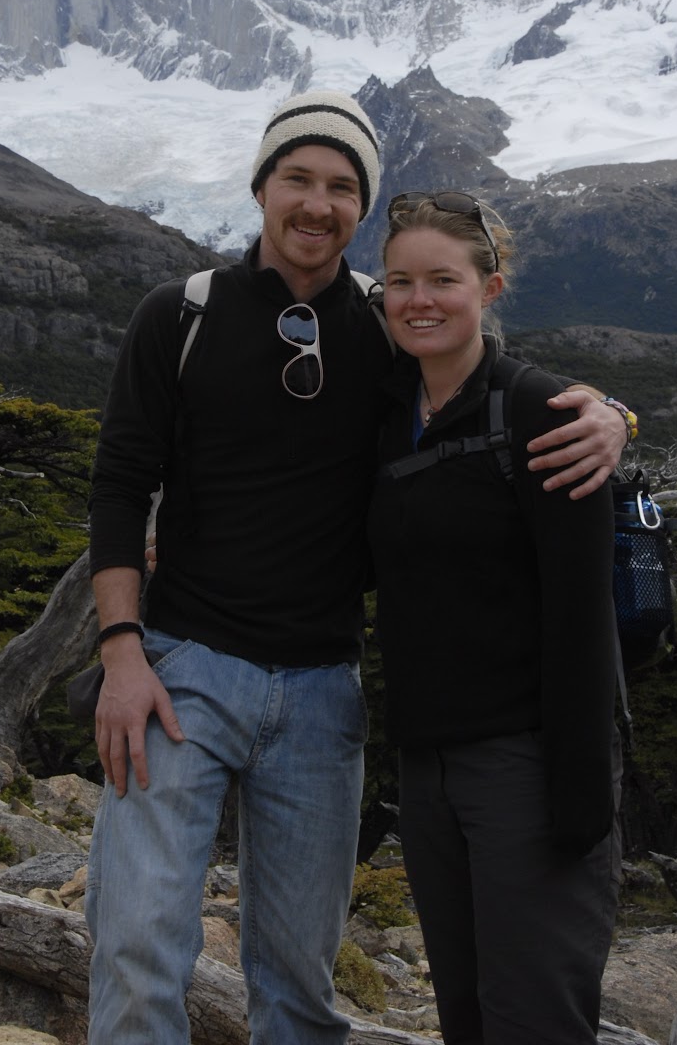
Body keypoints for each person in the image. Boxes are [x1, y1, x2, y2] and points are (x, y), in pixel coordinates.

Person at [85, 91, 627, 1045]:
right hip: (182, 669)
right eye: (297, 177)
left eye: (341, 186)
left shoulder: (384, 326)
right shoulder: (181, 316)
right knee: (136, 948)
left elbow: (485, 385)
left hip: (322, 691)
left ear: (361, 207)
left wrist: (614, 416)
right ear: (261, 186)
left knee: (301, 984)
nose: (316, 202)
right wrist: (121, 654)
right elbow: (121, 485)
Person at [368, 192, 621, 1045]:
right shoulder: (388, 416)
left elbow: (582, 618)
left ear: (490, 288)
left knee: (532, 1019)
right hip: (427, 769)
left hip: (526, 767)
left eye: (443, 280)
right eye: (400, 282)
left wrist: (579, 802)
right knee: (465, 1017)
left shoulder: (542, 415)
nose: (419, 300)